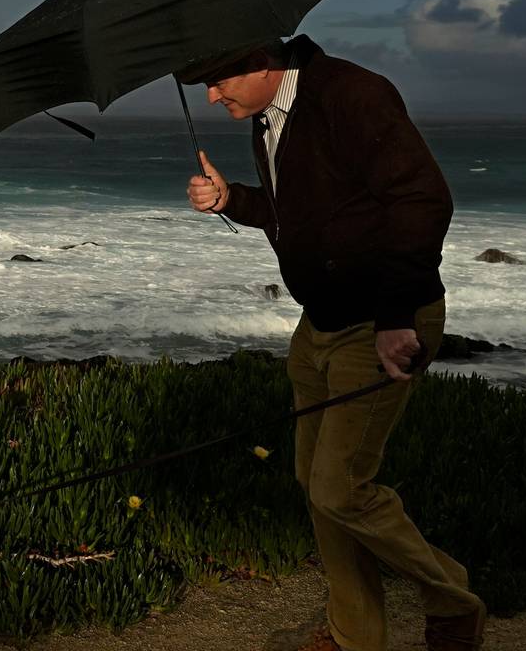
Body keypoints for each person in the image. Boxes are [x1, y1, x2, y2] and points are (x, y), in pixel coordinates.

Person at [180, 34, 485, 651]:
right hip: (319, 322)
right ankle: (356, 635)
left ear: (261, 62)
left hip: (380, 320)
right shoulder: (270, 112)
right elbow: (298, 212)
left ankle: (453, 600)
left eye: (218, 80)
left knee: (340, 488)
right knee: (317, 485)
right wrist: (232, 199)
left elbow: (423, 200)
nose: (212, 97)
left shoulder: (352, 94)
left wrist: (395, 315)